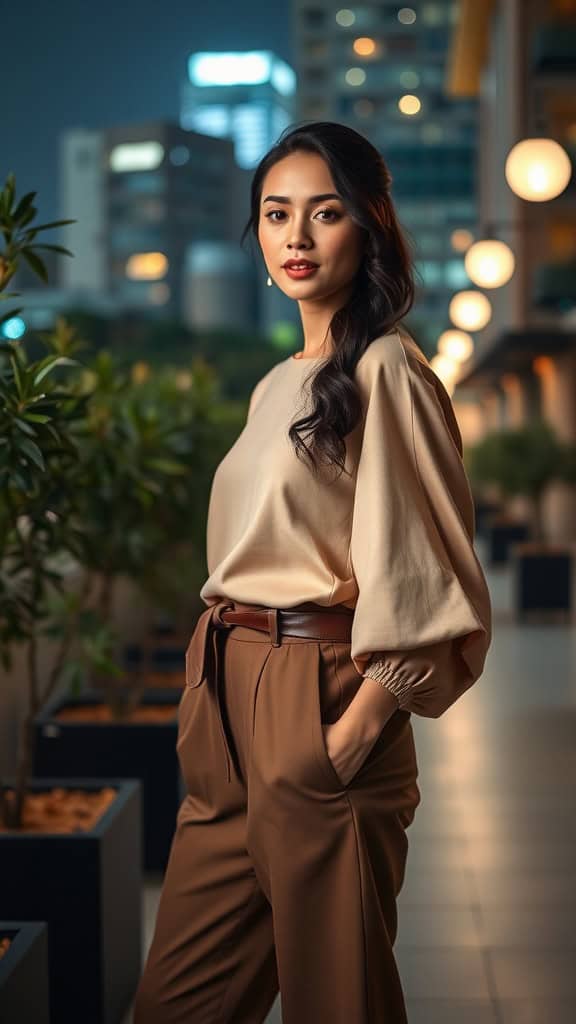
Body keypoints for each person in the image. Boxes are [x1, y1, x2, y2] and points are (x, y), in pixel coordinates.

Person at [134, 121, 492, 1024]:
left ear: (368, 227)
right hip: (225, 696)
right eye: (276, 213)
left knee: (341, 1004)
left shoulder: (388, 371)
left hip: (320, 699)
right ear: (255, 235)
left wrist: (349, 734)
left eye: (324, 213)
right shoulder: (276, 384)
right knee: (179, 1001)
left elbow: (430, 572)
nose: (296, 237)